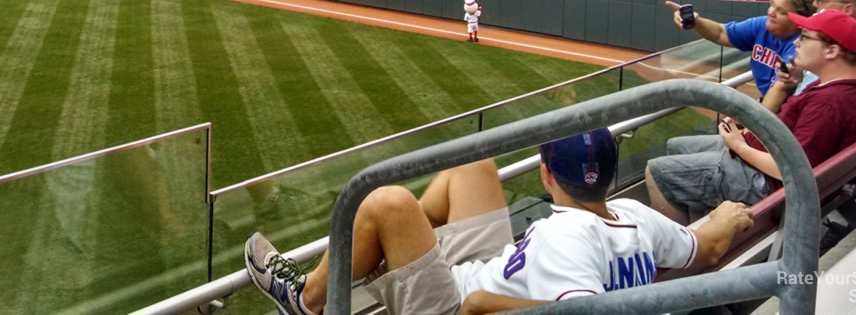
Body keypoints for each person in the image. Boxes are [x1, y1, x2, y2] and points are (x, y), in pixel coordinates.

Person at [245, 129, 753, 315]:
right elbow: (704, 248)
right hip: (491, 265)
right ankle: (387, 250)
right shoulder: (635, 216)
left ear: (546, 173)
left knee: (384, 201)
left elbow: (576, 310)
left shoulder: (563, 240)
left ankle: (306, 300)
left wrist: (485, 301)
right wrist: (729, 216)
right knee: (474, 164)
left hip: (454, 304)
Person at [645, 8, 856, 224]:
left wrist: (739, 145)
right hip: (770, 159)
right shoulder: (850, 85)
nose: (797, 43)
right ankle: (706, 231)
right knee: (676, 146)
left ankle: (690, 256)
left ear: (832, 50)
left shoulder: (830, 103)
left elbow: (791, 170)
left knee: (658, 172)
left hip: (766, 182)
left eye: (806, 37)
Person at [667, 0, 814, 99]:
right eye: (772, 5)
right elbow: (721, 33)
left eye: (781, 12)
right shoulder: (762, 25)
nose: (771, 12)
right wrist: (694, 21)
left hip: (788, 114)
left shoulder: (801, 45)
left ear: (800, 22)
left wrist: (748, 129)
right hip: (769, 104)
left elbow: (779, 92)